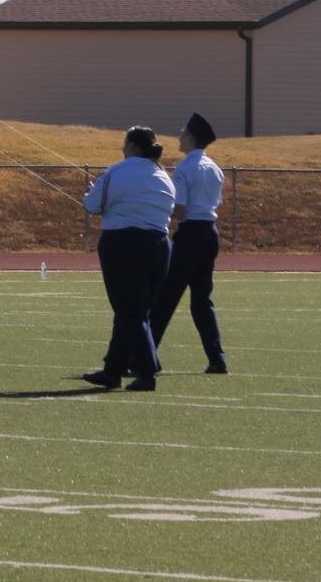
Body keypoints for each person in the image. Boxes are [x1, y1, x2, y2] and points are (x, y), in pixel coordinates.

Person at [80, 126, 175, 391]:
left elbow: (91, 206)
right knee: (133, 309)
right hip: (160, 245)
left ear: (133, 145)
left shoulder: (115, 172)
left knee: (129, 310)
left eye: (125, 142)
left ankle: (147, 370)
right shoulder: (163, 176)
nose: (122, 148)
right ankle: (113, 369)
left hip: (122, 244)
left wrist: (92, 191)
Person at [149, 110, 228, 373]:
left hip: (190, 235)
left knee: (165, 297)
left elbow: (180, 210)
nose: (180, 136)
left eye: (183, 132)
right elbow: (214, 204)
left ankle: (146, 357)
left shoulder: (184, 168)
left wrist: (157, 205)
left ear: (192, 137)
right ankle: (217, 358)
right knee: (202, 299)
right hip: (209, 232)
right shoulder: (215, 168)